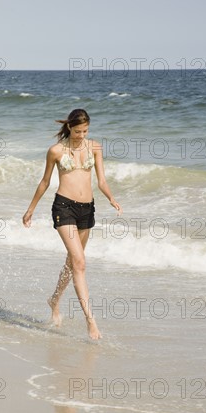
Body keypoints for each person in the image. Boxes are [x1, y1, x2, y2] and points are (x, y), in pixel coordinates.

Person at [22, 109, 122, 340]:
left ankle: (54, 300)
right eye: (78, 131)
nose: (81, 135)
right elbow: (45, 181)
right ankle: (91, 322)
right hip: (63, 207)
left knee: (71, 263)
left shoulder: (95, 147)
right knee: (80, 262)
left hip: (87, 210)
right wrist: (30, 209)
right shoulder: (56, 151)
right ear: (69, 127)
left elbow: (102, 180)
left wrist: (111, 198)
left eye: (85, 131)